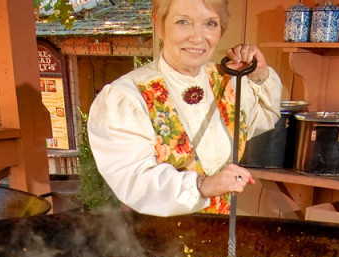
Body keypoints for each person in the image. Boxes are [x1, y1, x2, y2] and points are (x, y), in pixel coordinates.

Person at [87, 0, 283, 216]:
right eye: (183, 22)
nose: (198, 37)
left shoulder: (227, 82)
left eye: (210, 23)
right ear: (159, 25)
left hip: (219, 236)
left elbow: (263, 117)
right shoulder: (127, 96)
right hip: (157, 241)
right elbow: (134, 180)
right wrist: (202, 185)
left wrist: (259, 74)